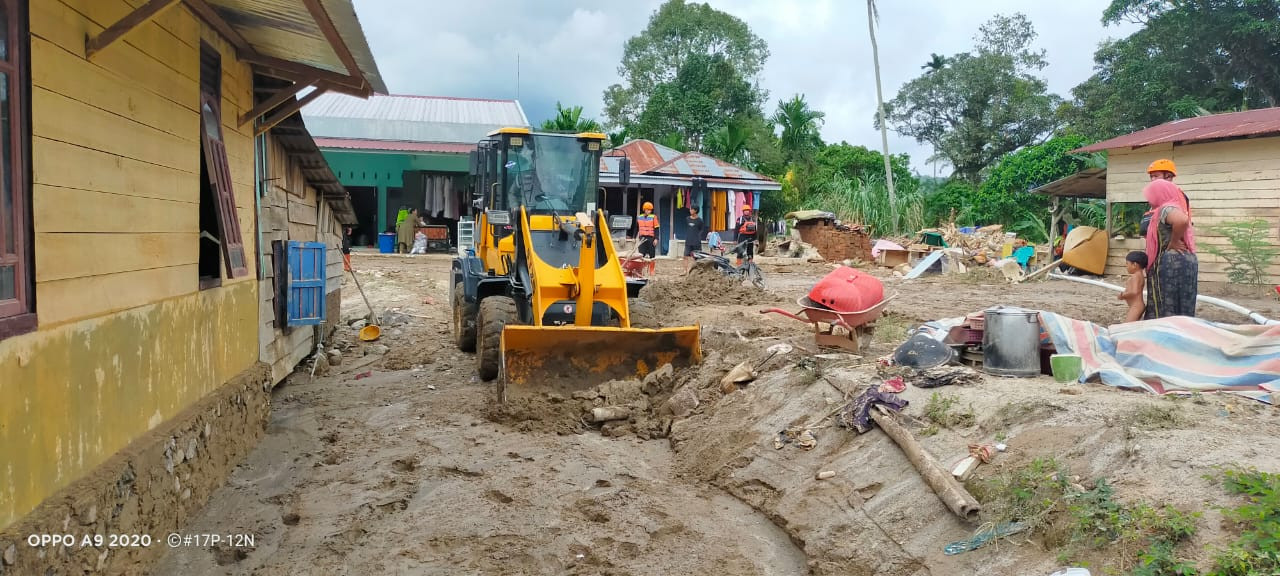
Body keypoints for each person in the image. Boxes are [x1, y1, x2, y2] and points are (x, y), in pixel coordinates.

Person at [1142, 179, 1198, 319]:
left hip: (1172, 263)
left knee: (1167, 304)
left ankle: (1165, 334)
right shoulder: (1173, 207)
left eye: (1151, 195)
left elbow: (1182, 220)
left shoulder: (1167, 208)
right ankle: (1180, 332)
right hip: (1183, 259)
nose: (1149, 199)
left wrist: (1173, 241)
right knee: (1182, 303)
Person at [1118, 251, 1148, 322]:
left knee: (1127, 326)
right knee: (1133, 326)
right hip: (1137, 305)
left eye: (1127, 264)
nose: (1126, 266)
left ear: (1134, 265)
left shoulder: (1135, 276)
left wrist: (1123, 295)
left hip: (1136, 306)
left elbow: (1134, 292)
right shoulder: (1140, 275)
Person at [682, 206, 707, 276]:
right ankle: (685, 271)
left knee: (697, 258)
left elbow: (701, 230)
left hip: (696, 242)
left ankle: (694, 271)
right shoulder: (687, 219)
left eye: (691, 209)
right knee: (685, 256)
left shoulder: (700, 221)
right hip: (688, 240)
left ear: (695, 211)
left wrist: (698, 237)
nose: (690, 210)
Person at [636, 201, 659, 276]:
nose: (649, 211)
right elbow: (636, 228)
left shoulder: (653, 217)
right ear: (644, 209)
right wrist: (633, 237)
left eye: (650, 210)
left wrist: (656, 239)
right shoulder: (639, 217)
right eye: (648, 209)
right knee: (641, 255)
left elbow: (656, 229)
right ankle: (640, 270)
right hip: (642, 238)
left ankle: (651, 270)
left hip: (651, 238)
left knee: (652, 255)